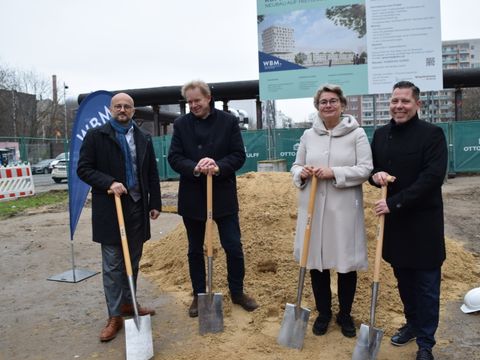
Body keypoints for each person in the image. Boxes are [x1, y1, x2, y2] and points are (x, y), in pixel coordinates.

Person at [369, 81, 447, 360]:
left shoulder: (432, 135)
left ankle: (426, 343)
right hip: (396, 227)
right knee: (404, 282)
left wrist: (394, 203)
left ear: (417, 105)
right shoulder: (380, 135)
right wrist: (376, 175)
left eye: (405, 101)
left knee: (427, 287)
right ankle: (413, 324)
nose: (399, 106)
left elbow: (432, 178)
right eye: (394, 101)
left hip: (423, 224)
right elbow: (373, 170)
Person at [167, 80, 258, 318]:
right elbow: (174, 158)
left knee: (233, 246)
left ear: (208, 98)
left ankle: (237, 292)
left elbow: (238, 155)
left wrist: (218, 166)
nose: (193, 105)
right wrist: (195, 166)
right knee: (195, 249)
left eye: (197, 100)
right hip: (193, 196)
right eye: (189, 102)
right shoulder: (180, 124)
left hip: (223, 194)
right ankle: (199, 295)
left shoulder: (228, 121)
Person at [77, 92, 161, 342]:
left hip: (137, 208)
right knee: (113, 264)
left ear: (134, 111)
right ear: (111, 109)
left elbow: (152, 173)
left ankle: (128, 304)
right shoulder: (97, 136)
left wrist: (154, 202)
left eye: (127, 106)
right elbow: (84, 168)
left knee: (132, 262)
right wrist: (109, 182)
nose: (122, 109)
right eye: (118, 106)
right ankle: (114, 315)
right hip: (110, 209)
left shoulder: (143, 137)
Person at [291, 84, 373, 338]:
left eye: (333, 101)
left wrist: (334, 173)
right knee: (317, 262)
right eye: (323, 101)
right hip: (313, 208)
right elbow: (296, 166)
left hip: (343, 209)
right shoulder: (308, 135)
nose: (328, 105)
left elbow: (365, 168)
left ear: (342, 105)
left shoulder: (356, 134)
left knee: (345, 264)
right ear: (317, 107)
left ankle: (345, 314)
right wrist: (301, 173)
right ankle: (324, 313)